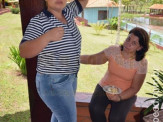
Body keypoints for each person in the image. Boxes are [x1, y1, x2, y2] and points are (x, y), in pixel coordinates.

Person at [19, 0, 88, 121]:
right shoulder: (39, 21)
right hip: (53, 82)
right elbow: (23, 51)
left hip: (71, 78)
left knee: (58, 116)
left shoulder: (68, 12)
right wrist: (47, 37)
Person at [80, 27, 149, 122]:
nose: (128, 44)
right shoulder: (113, 50)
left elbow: (135, 88)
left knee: (115, 119)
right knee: (95, 109)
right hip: (105, 87)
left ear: (140, 47)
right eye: (128, 39)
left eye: (134, 43)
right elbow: (92, 59)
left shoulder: (142, 63)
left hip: (126, 93)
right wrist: (75, 58)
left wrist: (119, 97)